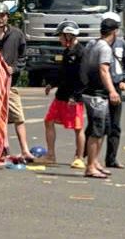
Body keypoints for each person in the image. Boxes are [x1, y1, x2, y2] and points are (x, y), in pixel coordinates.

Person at [0, 1, 34, 162]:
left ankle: (25, 150)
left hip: (10, 85)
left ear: (7, 17)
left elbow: (23, 56)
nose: (0, 19)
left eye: (3, 15)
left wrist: (15, 68)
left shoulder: (17, 34)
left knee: (18, 117)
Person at [80, 16, 122, 179]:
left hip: (92, 92)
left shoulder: (92, 43)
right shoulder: (104, 48)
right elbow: (104, 70)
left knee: (103, 128)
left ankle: (95, 162)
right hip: (97, 94)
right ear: (114, 32)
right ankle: (90, 166)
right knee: (96, 130)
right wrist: (112, 91)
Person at [40, 20, 86, 168]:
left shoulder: (81, 53)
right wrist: (51, 84)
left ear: (69, 36)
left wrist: (75, 96)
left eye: (61, 36)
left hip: (74, 98)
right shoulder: (67, 52)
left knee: (78, 128)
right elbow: (63, 74)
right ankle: (50, 155)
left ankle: (79, 157)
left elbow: (83, 78)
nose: (59, 39)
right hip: (61, 96)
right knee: (48, 121)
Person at [104, 11, 125, 169]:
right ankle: (85, 155)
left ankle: (111, 158)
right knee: (99, 124)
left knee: (115, 125)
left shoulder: (121, 43)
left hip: (116, 86)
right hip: (101, 88)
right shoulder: (97, 44)